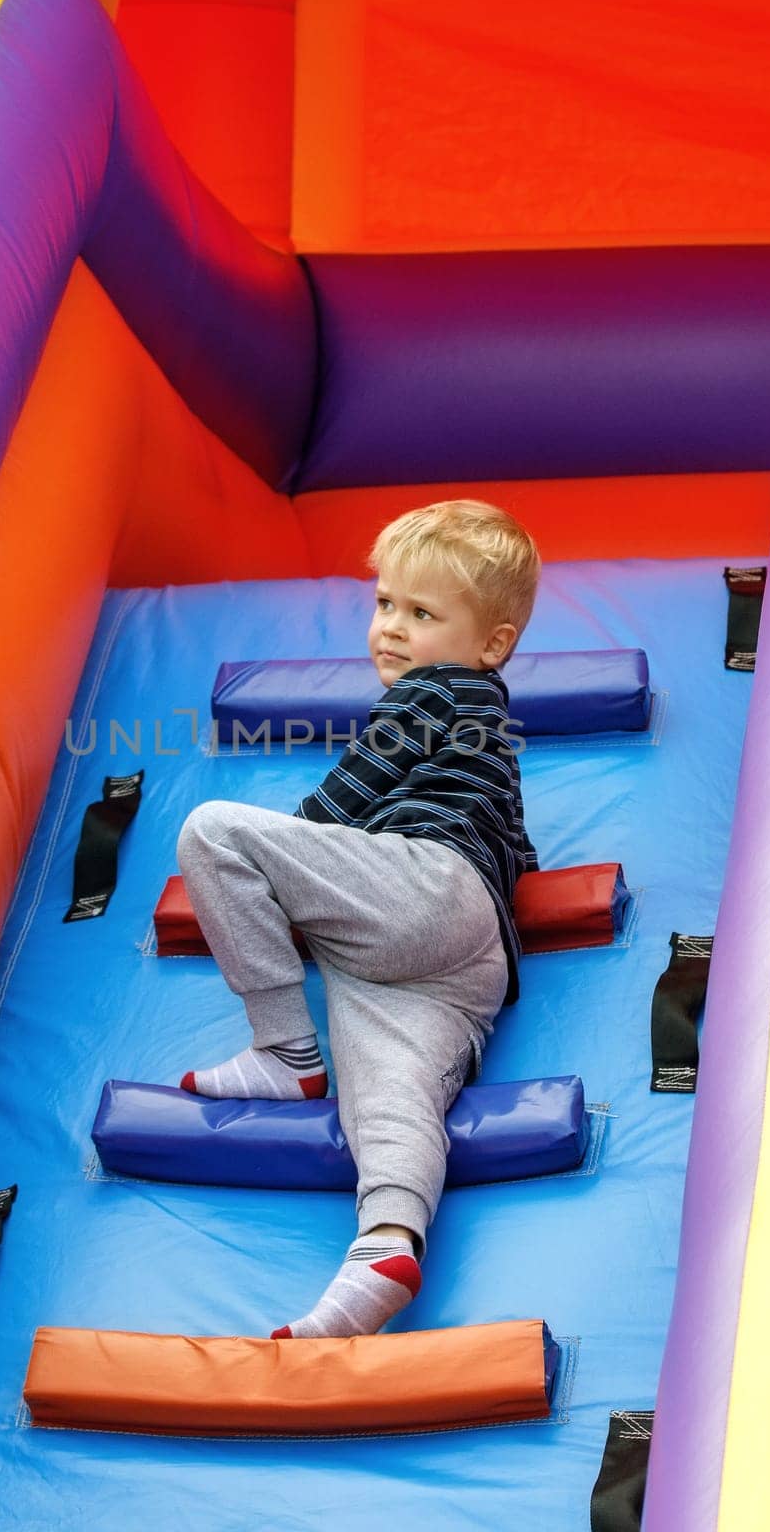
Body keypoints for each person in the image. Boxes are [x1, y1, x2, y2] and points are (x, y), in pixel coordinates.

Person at [175, 499, 541, 1338]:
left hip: (422, 891)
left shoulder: (433, 693)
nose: (390, 628)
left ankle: (286, 1051)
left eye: (420, 613)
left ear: (491, 644)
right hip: (464, 959)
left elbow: (331, 813)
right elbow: (516, 848)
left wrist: (273, 874)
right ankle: (384, 1245)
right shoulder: (491, 726)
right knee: (389, 1101)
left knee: (215, 832)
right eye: (383, 604)